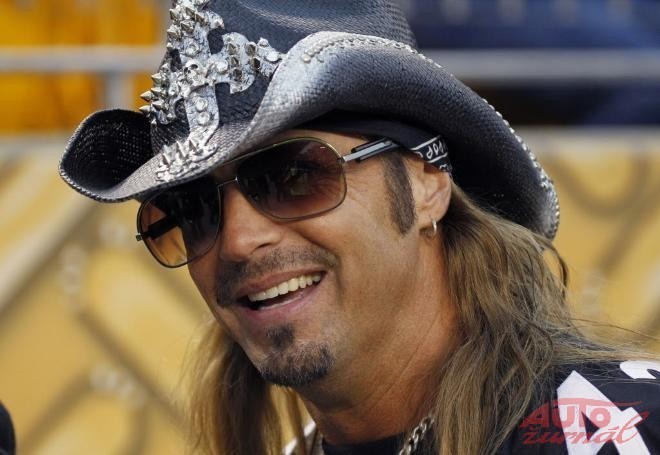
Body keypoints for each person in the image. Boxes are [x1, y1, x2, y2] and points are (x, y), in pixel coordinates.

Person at [59, 0, 660, 453]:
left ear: (427, 183)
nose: (239, 241)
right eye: (191, 209)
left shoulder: (618, 429)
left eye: (294, 175)